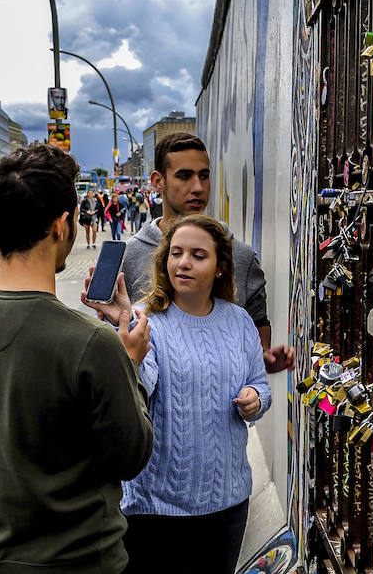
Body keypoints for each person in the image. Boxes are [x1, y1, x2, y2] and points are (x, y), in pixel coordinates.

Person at [0, 143, 154, 573]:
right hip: (83, 561)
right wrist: (130, 361)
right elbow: (131, 455)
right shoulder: (91, 343)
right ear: (61, 224)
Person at [85, 214, 271, 573]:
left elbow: (261, 386)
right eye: (176, 253)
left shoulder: (239, 321)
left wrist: (255, 398)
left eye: (198, 255)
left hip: (227, 503)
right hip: (155, 510)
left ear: (220, 267)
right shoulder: (144, 319)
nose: (183, 263)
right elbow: (137, 393)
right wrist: (128, 351)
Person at [120, 133, 295, 373]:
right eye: (184, 176)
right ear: (158, 181)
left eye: (204, 176)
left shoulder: (240, 256)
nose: (198, 187)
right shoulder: (129, 256)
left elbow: (257, 338)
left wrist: (265, 361)